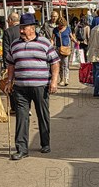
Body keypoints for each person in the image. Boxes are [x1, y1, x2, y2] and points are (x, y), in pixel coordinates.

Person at [5, 13, 59, 160]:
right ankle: (22, 149)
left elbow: (55, 62)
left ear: (32, 28)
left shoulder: (44, 43)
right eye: (20, 27)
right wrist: (9, 81)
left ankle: (45, 143)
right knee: (22, 117)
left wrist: (54, 82)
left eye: (24, 27)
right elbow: (11, 64)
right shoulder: (15, 44)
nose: (21, 31)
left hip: (40, 86)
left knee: (42, 115)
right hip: (20, 87)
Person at [53, 16, 72, 86]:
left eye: (62, 25)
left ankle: (66, 79)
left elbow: (71, 37)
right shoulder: (55, 30)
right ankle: (61, 79)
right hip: (58, 49)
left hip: (66, 49)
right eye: (59, 25)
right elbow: (53, 39)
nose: (60, 26)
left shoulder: (68, 29)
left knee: (65, 65)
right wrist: (50, 45)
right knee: (60, 65)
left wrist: (76, 42)